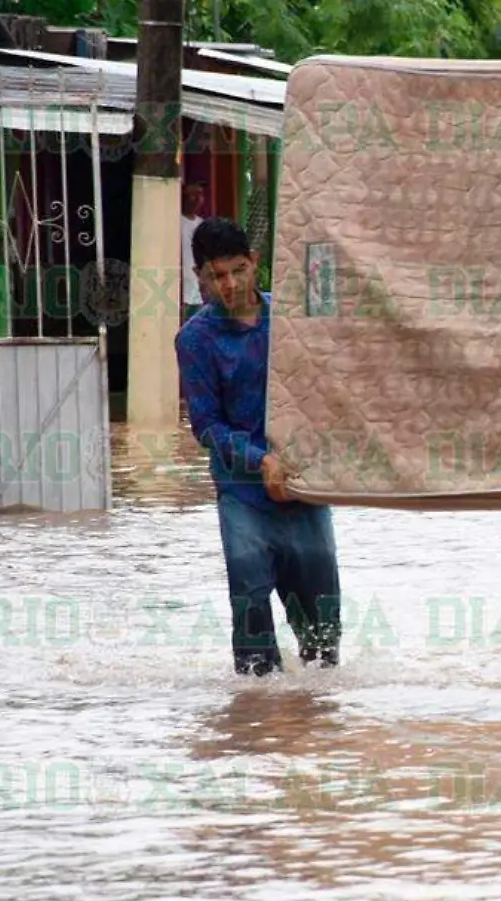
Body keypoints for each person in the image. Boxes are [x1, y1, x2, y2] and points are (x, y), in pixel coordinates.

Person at [176, 218, 342, 676]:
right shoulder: (195, 339)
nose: (229, 284)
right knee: (251, 619)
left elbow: (327, 391)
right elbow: (206, 425)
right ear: (200, 278)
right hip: (243, 494)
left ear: (255, 265)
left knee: (323, 634)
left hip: (302, 489)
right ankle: (254, 728)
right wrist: (259, 460)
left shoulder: (291, 324)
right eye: (216, 276)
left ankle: (316, 728)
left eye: (237, 270)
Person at [180, 181, 207, 321]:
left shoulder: (201, 224)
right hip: (181, 288)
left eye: (200, 195)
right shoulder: (175, 220)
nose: (197, 199)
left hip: (197, 289)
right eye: (192, 195)